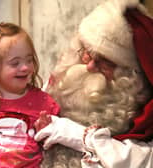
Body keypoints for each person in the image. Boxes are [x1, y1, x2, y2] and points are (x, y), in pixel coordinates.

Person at [35, 0, 153, 167]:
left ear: (130, 73)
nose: (90, 66)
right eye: (87, 54)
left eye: (105, 62)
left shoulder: (145, 114)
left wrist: (80, 137)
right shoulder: (60, 82)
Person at [0, 22, 60, 168]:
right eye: (15, 63)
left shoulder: (44, 102)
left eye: (29, 60)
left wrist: (46, 130)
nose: (25, 67)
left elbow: (56, 146)